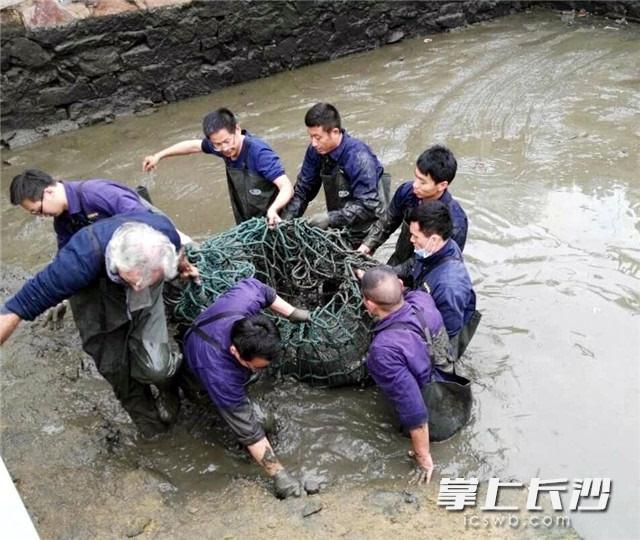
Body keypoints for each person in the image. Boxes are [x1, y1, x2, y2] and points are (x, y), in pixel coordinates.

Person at [0, 213, 199, 438]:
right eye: (133, 280)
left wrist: (181, 266)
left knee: (158, 367)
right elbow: (14, 310)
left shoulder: (163, 232)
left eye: (146, 278)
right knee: (116, 370)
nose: (137, 287)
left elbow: (174, 254)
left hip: (148, 296)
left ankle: (168, 388)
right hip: (95, 295)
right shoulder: (76, 263)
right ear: (117, 263)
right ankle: (153, 430)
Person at [183, 277, 310, 499]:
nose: (260, 370)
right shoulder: (220, 375)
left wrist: (292, 313)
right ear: (235, 352)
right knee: (262, 421)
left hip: (212, 329)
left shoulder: (243, 303)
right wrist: (279, 475)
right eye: (256, 367)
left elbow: (260, 288)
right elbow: (248, 431)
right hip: (199, 359)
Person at [361, 266, 454, 483]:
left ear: (370, 304)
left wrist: (423, 457)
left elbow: (413, 409)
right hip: (446, 382)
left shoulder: (383, 350)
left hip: (427, 406)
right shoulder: (422, 299)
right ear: (401, 286)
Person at [142, 108, 294, 227]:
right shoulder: (221, 148)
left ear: (237, 129)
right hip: (248, 220)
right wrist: (158, 156)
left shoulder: (259, 153)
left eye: (227, 141)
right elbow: (193, 146)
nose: (225, 148)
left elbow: (286, 186)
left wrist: (273, 210)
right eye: (217, 144)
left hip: (276, 218)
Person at [281, 102, 390, 247]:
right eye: (311, 137)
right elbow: (303, 191)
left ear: (335, 132)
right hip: (341, 221)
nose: (313, 143)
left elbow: (368, 206)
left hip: (370, 226)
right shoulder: (315, 151)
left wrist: (329, 218)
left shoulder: (359, 157)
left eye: (318, 137)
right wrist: (283, 224)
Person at [394, 201, 480, 358]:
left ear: (433, 239)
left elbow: (445, 338)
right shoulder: (433, 249)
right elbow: (412, 266)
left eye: (415, 236)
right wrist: (387, 277)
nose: (411, 240)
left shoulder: (449, 286)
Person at [358, 145, 468, 265]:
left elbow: (445, 264)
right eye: (416, 177)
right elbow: (387, 222)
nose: (415, 185)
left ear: (442, 185)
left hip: (428, 273)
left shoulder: (455, 222)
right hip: (399, 261)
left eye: (423, 182)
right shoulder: (407, 192)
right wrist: (367, 245)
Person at [9, 169, 152, 249]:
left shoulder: (97, 193)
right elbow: (67, 255)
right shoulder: (62, 220)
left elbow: (147, 222)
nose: (40, 215)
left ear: (48, 192)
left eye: (38, 210)